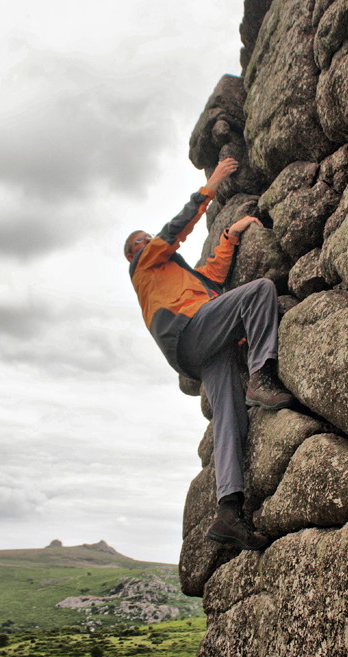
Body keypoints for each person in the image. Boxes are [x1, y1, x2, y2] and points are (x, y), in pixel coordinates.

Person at [124, 158, 293, 551]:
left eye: (144, 238)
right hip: (190, 331)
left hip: (202, 347)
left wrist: (232, 233)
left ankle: (228, 511)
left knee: (228, 418)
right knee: (260, 290)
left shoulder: (178, 276)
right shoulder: (144, 266)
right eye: (138, 241)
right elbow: (172, 231)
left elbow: (212, 276)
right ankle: (261, 376)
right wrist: (211, 187)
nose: (144, 242)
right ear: (133, 254)